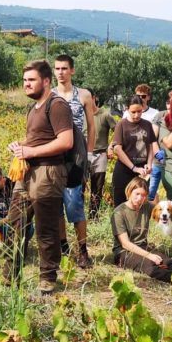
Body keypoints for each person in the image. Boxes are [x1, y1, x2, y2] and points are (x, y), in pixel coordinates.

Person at [4, 60, 74, 295]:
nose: (26, 84)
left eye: (31, 80)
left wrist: (31, 151)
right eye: (24, 80)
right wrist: (20, 145)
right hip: (27, 172)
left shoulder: (57, 105)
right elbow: (38, 138)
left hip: (48, 172)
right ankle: (10, 274)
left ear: (46, 81)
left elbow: (66, 142)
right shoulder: (33, 108)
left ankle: (48, 278)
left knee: (45, 228)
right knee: (15, 223)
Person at [53, 54, 95, 268]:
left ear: (72, 71)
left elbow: (92, 126)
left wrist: (88, 155)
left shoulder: (84, 95)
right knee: (56, 204)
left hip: (76, 155)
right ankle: (63, 247)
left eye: (64, 68)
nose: (60, 72)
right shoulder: (48, 94)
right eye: (57, 68)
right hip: (54, 154)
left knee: (75, 204)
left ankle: (83, 250)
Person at [111, 177, 172, 283]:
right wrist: (149, 255)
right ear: (129, 191)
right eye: (137, 194)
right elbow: (125, 244)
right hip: (124, 252)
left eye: (143, 195)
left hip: (144, 247)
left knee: (170, 263)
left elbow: (158, 207)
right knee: (151, 267)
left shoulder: (146, 206)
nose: (139, 198)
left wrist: (154, 187)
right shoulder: (119, 213)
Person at [111, 95, 158, 207]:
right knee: (121, 205)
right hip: (124, 170)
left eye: (139, 111)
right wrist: (133, 167)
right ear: (127, 109)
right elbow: (117, 148)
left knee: (143, 203)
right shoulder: (121, 124)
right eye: (133, 112)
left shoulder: (147, 124)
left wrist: (149, 164)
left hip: (142, 171)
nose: (136, 115)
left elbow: (150, 145)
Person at [88, 94, 117, 219]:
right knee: (80, 187)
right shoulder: (80, 115)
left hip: (100, 154)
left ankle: (93, 216)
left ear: (94, 98)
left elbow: (118, 131)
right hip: (84, 154)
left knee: (97, 186)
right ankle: (79, 217)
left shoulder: (105, 114)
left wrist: (111, 146)